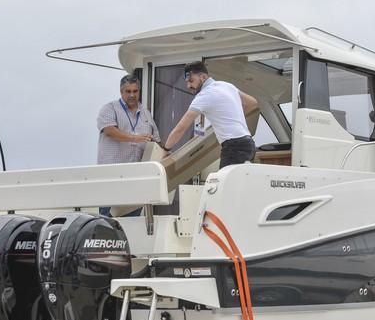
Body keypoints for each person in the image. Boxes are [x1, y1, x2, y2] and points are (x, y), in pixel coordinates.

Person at [162, 61, 258, 168]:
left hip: (234, 147)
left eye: (191, 81)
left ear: (203, 77)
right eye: (187, 82)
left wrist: (166, 149)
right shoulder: (226, 85)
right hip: (248, 144)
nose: (188, 85)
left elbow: (181, 128)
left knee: (226, 184)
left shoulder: (204, 96)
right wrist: (231, 116)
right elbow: (252, 103)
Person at [96, 74, 160, 216]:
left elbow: (156, 140)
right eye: (128, 91)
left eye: (135, 91)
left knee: (132, 222)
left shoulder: (146, 114)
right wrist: (135, 138)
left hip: (135, 179)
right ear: (121, 92)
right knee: (109, 223)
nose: (132, 95)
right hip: (111, 179)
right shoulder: (109, 108)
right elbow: (109, 131)